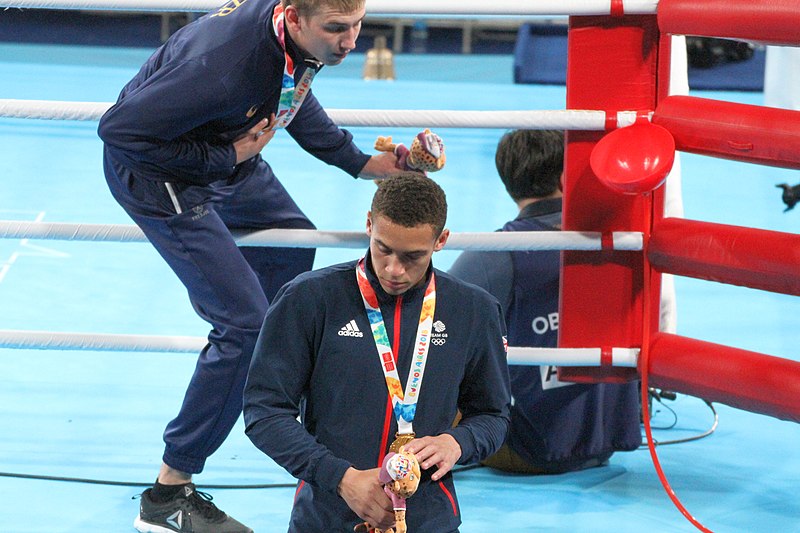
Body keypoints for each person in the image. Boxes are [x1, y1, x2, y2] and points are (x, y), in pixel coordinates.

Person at [97, 1, 403, 531]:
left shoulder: (290, 34)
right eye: (336, 29)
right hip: (159, 172)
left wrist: (362, 164)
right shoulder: (220, 65)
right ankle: (168, 495)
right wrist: (226, 159)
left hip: (227, 150)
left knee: (291, 245)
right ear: (294, 18)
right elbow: (120, 133)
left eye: (357, 25)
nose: (351, 42)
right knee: (243, 324)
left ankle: (266, 402)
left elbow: (289, 92)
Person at [243, 173, 511, 532]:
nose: (393, 269)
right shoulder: (308, 299)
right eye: (383, 248)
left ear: (441, 240)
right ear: (369, 224)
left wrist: (459, 441)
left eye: (412, 256)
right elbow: (264, 411)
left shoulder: (473, 310)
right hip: (326, 514)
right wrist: (341, 478)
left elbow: (493, 414)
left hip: (428, 517)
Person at [449, 129, 641, 474]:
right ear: (566, 178)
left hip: (528, 448)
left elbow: (435, 325)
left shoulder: (494, 253)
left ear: (508, 182)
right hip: (609, 439)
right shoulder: (621, 242)